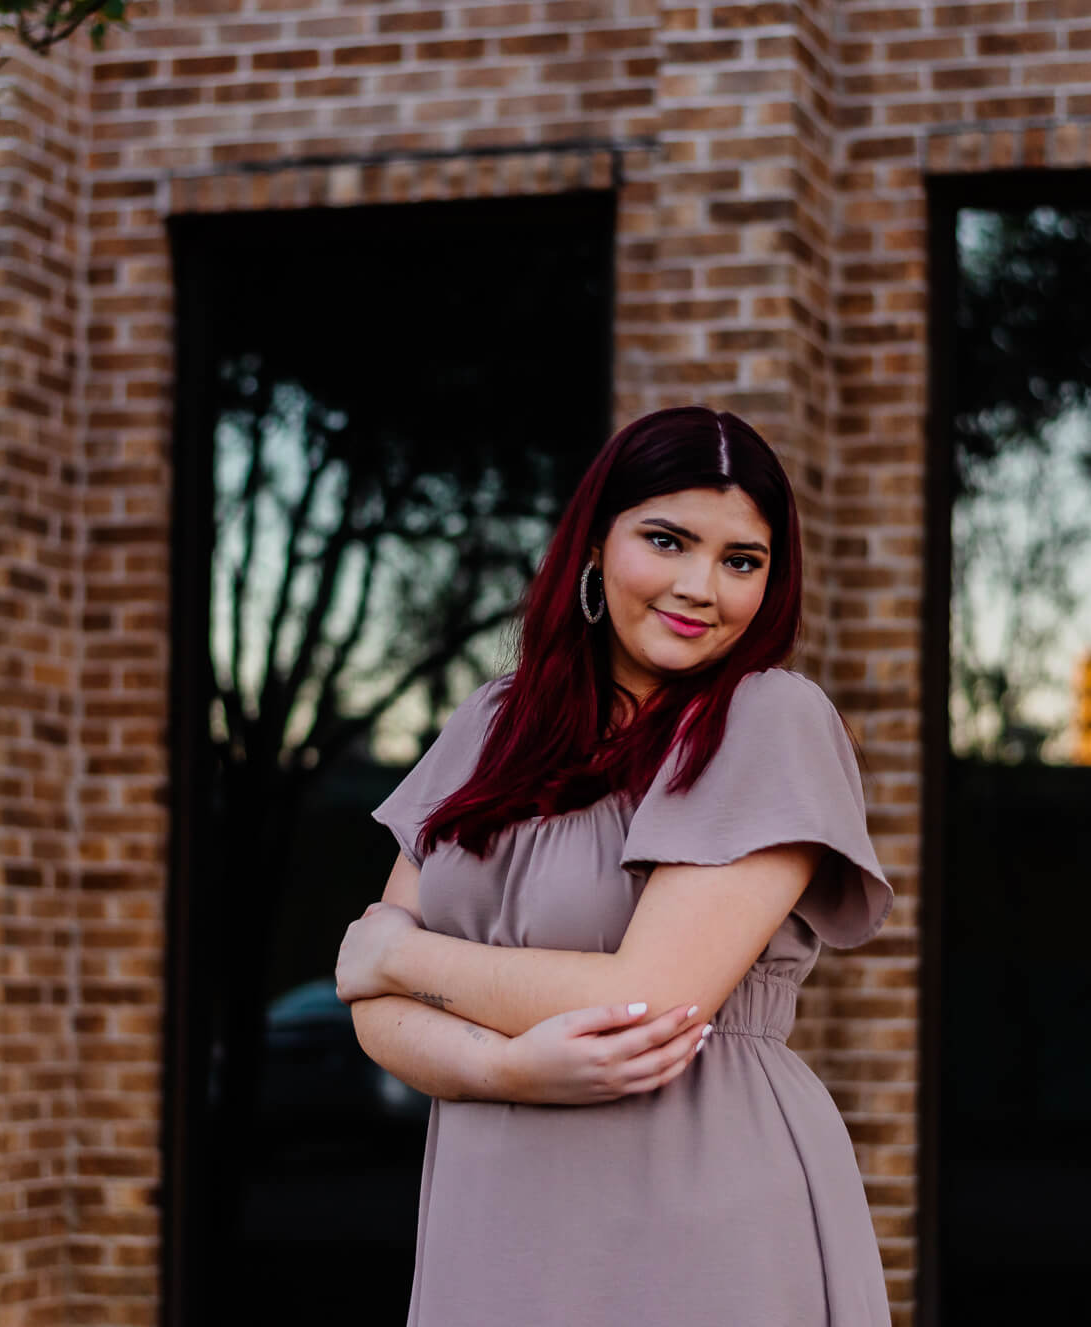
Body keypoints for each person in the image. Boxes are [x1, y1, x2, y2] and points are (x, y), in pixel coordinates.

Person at [334, 405, 895, 1327]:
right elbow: (375, 1017)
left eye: (740, 560)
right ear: (596, 543)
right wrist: (510, 1073)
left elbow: (651, 995)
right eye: (666, 540)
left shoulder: (771, 719)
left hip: (694, 1194)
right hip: (494, 1200)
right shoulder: (494, 722)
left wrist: (399, 956)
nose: (701, 587)